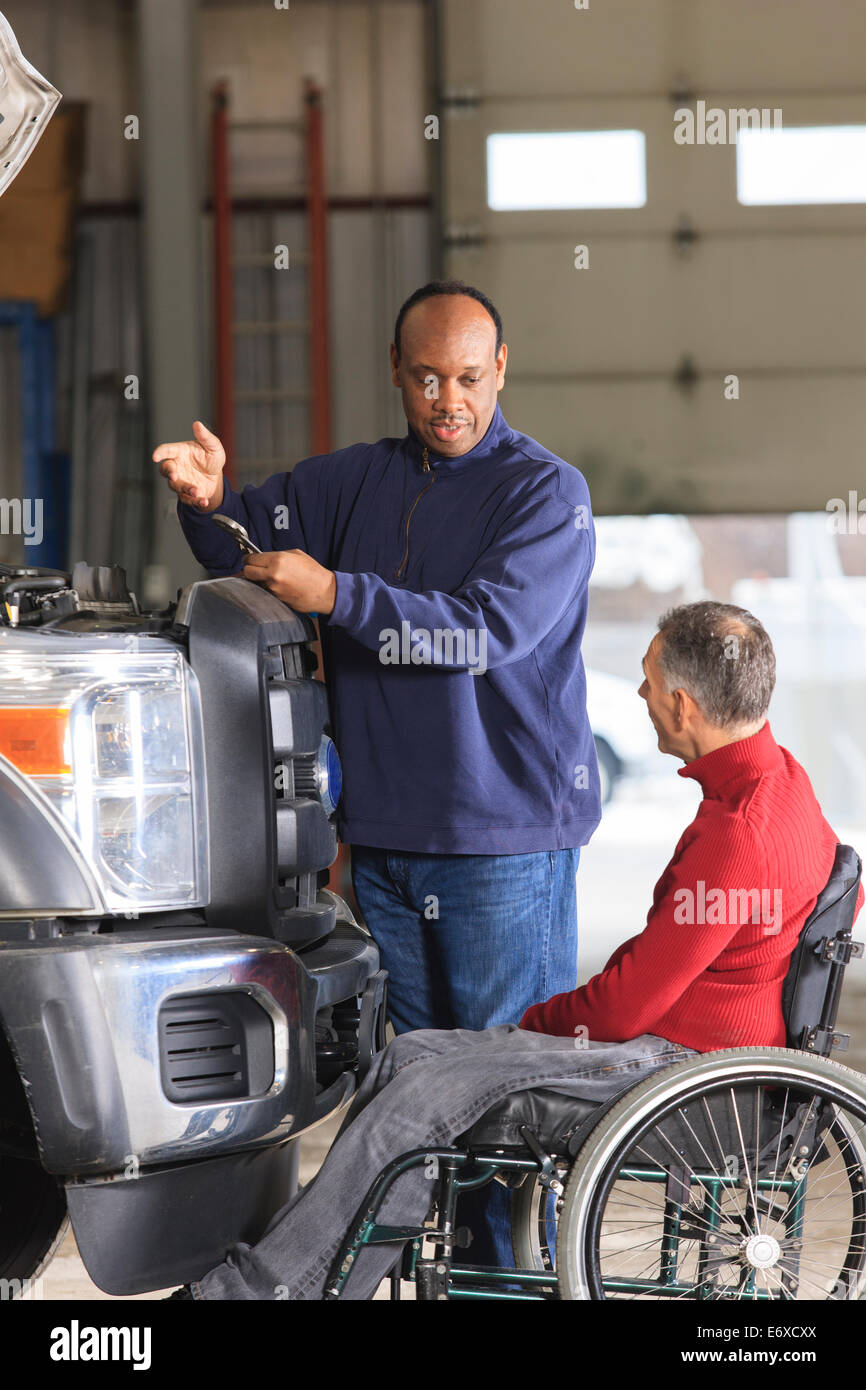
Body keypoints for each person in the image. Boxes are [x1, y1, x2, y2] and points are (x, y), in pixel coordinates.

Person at [170, 601, 863, 1300]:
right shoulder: (785, 784)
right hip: (710, 1068)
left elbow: (624, 1006)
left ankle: (250, 1294)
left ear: (684, 705)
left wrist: (530, 1029)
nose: (641, 694)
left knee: (420, 1104)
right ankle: (333, 1278)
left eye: (649, 681)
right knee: (405, 1058)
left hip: (686, 1082)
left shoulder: (738, 832)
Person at [155, 280, 600, 1261]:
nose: (450, 400)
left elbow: (482, 633)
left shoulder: (543, 494)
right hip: (389, 843)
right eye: (429, 377)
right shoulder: (350, 481)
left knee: (501, 1098)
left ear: (502, 369)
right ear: (396, 371)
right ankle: (439, 1279)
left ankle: (513, 1284)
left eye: (470, 378)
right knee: (409, 1101)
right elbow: (251, 547)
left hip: (499, 845)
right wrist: (208, 501)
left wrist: (339, 592)